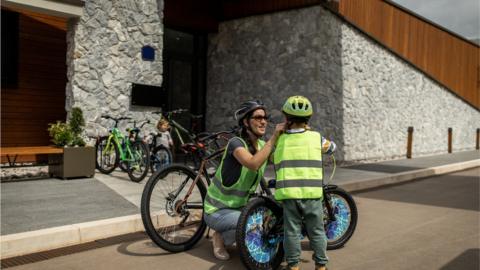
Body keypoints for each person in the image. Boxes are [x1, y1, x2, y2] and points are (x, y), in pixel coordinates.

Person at [203, 100, 284, 261]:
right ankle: (220, 237)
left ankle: (233, 233)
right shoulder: (236, 144)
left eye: (265, 118)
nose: (263, 121)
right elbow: (253, 163)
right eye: (258, 117)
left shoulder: (262, 145)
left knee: (272, 219)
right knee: (252, 223)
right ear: (246, 122)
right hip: (217, 211)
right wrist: (274, 138)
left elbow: (282, 160)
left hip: (240, 209)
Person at [273, 95, 336, 270]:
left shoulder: (281, 139)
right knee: (316, 231)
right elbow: (332, 148)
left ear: (287, 119)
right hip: (312, 194)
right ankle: (321, 266)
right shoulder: (316, 138)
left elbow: (272, 156)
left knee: (291, 232)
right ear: (308, 119)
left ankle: (293, 266)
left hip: (289, 194)